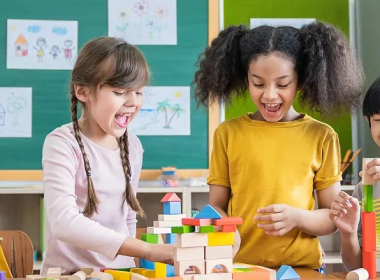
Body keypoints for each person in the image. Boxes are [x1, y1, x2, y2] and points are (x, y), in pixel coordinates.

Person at [193, 21, 364, 269]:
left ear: (301, 81)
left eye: (282, 84)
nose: (270, 95)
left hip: (302, 268)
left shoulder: (322, 136)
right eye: (258, 83)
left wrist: (298, 218)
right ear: (246, 80)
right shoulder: (227, 133)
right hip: (241, 267)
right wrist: (221, 223)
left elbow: (332, 217)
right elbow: (216, 205)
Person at [41, 37, 173, 275]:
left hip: (119, 274)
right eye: (120, 92)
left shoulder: (132, 145)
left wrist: (133, 262)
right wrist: (146, 250)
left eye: (139, 92)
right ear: (82, 91)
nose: (133, 102)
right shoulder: (62, 143)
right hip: (69, 274)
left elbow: (128, 217)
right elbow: (63, 222)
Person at [330, 76, 380, 271]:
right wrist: (348, 233)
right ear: (368, 121)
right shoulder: (364, 189)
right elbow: (356, 267)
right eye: (379, 120)